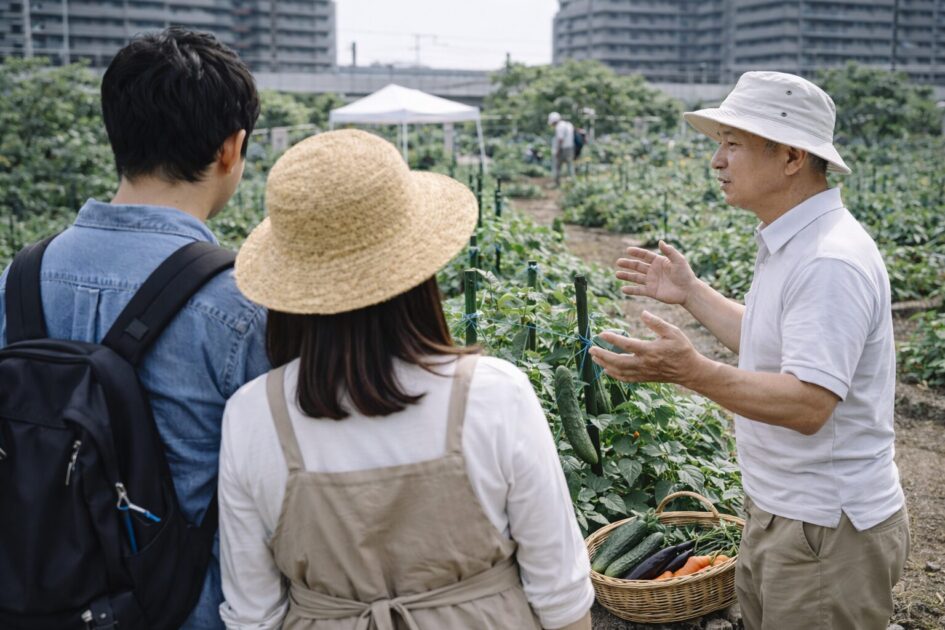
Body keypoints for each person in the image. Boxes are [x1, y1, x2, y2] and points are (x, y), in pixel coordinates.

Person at [217, 129, 594, 630]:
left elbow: (252, 615)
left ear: (292, 285)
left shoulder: (253, 414)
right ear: (417, 271)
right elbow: (562, 601)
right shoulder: (494, 394)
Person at [589, 71, 909, 630]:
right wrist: (691, 294)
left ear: (789, 157)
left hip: (825, 532)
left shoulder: (828, 260)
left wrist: (691, 371)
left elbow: (808, 403)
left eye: (732, 143)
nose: (717, 160)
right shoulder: (794, 240)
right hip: (784, 515)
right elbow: (772, 344)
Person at [0, 28, 268, 629]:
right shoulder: (242, 302)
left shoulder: (16, 280)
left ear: (114, 136)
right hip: (186, 610)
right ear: (232, 149)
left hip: (34, 603)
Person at [548, 111, 575, 186]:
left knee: (557, 166)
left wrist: (557, 150)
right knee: (570, 165)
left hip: (562, 149)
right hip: (570, 148)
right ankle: (572, 182)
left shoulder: (559, 127)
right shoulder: (569, 125)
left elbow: (560, 139)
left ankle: (557, 183)